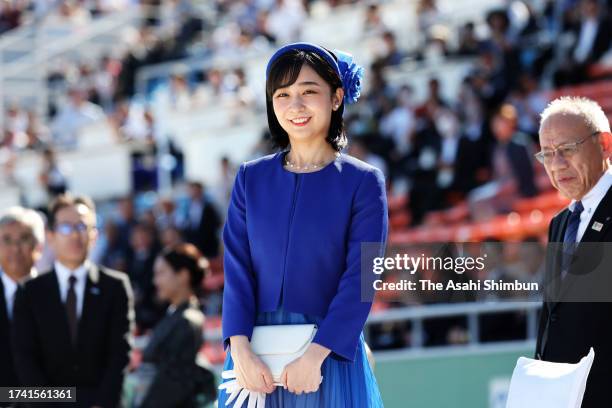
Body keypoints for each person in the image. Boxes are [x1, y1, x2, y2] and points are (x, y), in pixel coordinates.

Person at [218, 42, 387, 407]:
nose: (295, 105)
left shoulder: (364, 182)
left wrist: (316, 355)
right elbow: (237, 270)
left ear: (337, 97)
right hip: (252, 364)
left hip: (325, 362)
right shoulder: (250, 178)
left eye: (309, 91)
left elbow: (362, 279)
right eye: (282, 94)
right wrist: (240, 348)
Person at [11, 194, 134, 408]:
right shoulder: (29, 292)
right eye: (66, 228)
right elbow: (25, 358)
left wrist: (101, 403)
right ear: (50, 236)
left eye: (82, 227)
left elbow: (119, 355)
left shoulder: (115, 287)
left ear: (94, 235)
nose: (75, 235)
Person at [534, 96, 612, 408]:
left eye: (567, 150)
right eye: (547, 154)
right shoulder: (560, 223)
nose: (556, 164)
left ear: (604, 144)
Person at [136, 243, 216, 407]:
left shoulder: (187, 320)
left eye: (161, 273)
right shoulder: (177, 316)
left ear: (183, 275)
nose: (155, 281)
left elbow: (173, 382)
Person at [0, 207, 45, 387]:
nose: (15, 248)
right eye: (7, 240)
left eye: (24, 239)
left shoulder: (59, 294)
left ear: (39, 246)